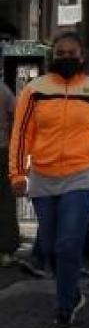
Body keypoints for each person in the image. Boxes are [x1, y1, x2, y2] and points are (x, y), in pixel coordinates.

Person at [9, 31, 89, 328]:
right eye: (59, 53)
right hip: (43, 176)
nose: (65, 57)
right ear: (52, 55)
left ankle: (64, 309)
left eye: (71, 52)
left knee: (67, 243)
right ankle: (73, 293)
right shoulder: (34, 90)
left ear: (82, 55)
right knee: (48, 246)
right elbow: (21, 135)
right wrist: (17, 174)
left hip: (83, 175)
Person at [0, 80, 17, 267]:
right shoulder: (3, 89)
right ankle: (5, 250)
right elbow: (16, 113)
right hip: (2, 149)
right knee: (5, 199)